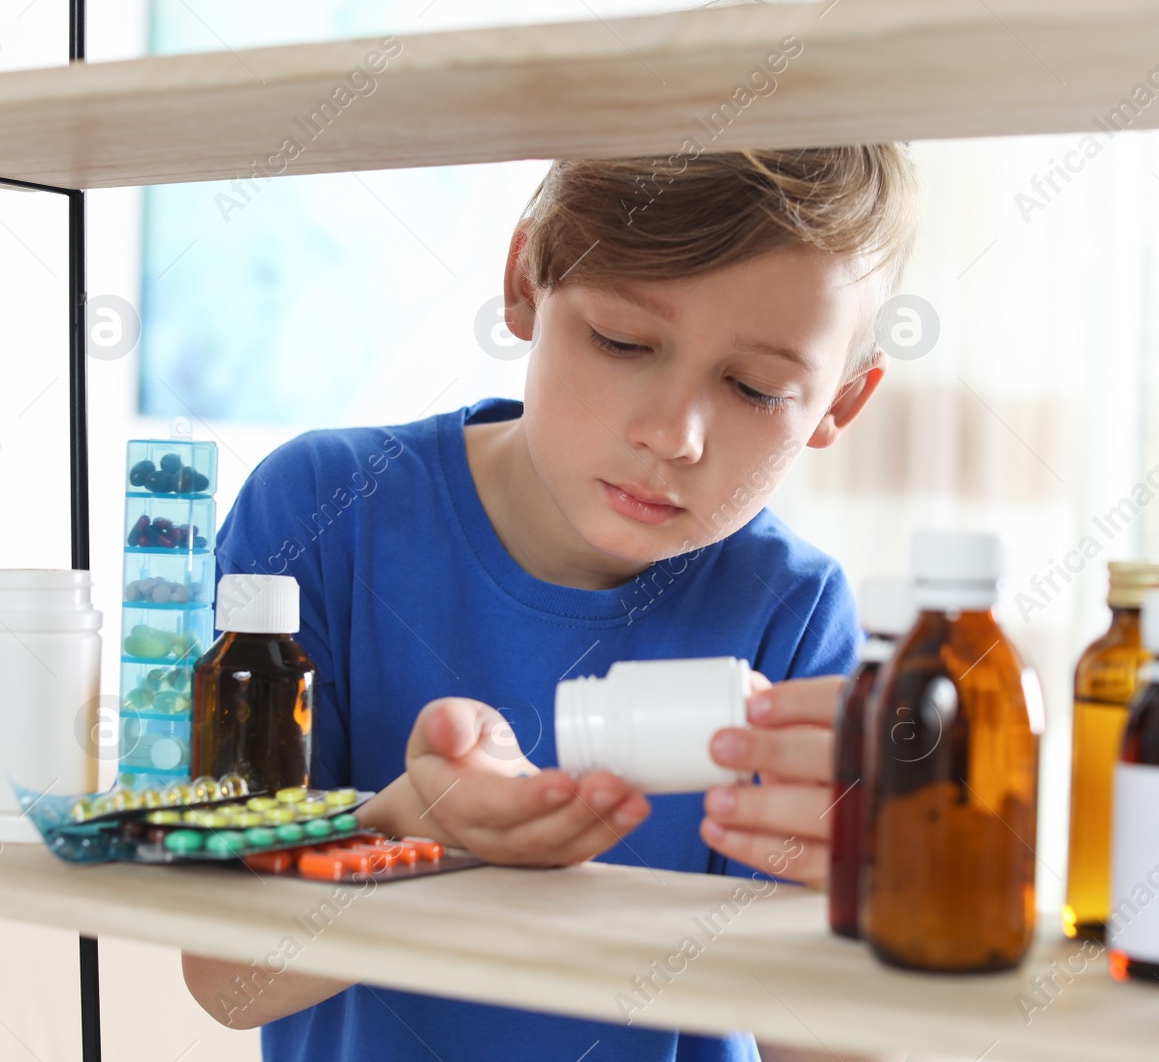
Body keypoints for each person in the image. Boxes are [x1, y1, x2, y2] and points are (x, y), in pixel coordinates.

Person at [181, 141, 918, 1062]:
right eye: (622, 341)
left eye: (755, 389)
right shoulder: (326, 513)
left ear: (840, 404)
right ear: (526, 280)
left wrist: (875, 907)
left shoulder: (795, 614)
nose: (671, 434)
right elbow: (229, 979)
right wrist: (417, 828)